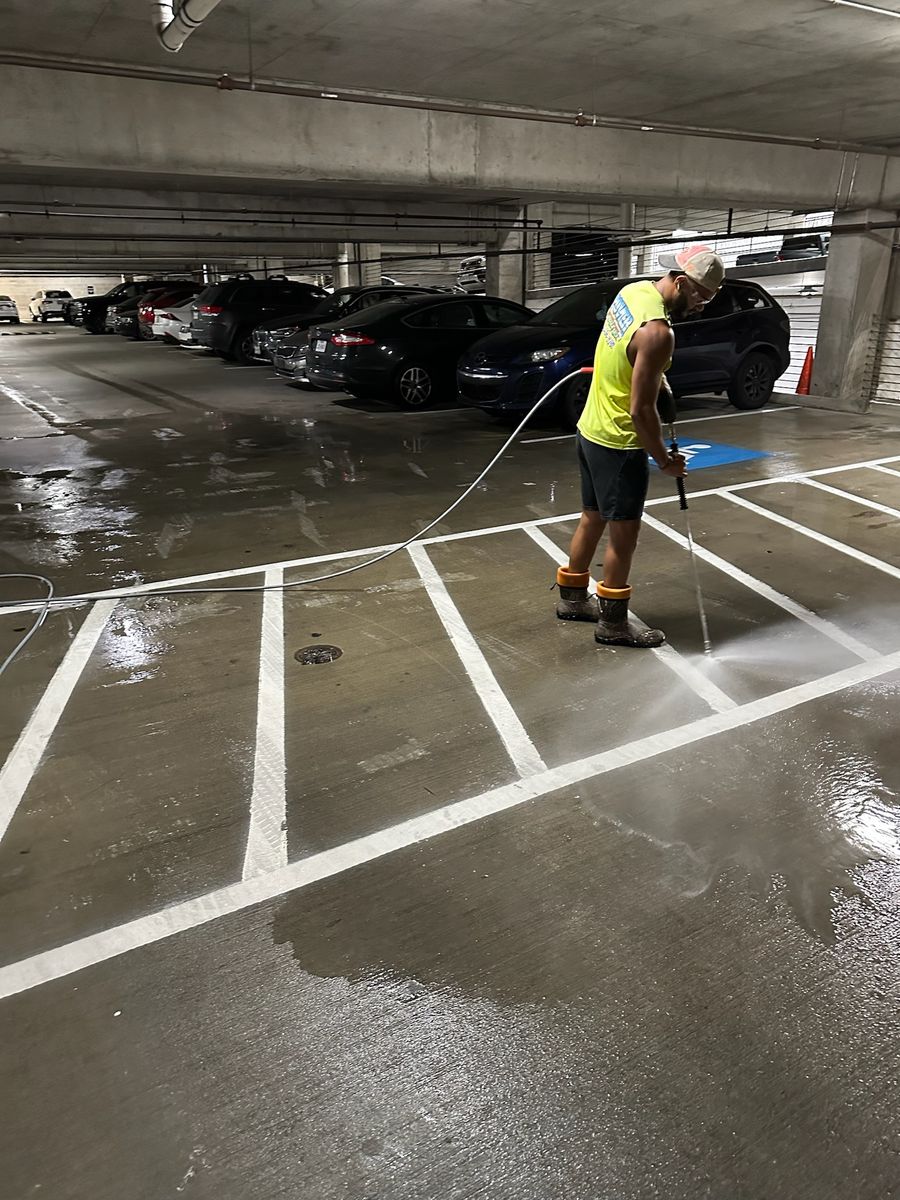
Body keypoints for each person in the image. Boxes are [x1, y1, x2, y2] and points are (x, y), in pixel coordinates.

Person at [554, 245, 725, 647]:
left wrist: (652, 379)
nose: (702, 305)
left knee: (591, 516)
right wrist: (665, 460)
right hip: (618, 442)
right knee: (624, 533)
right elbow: (640, 411)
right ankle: (612, 623)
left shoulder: (632, 293)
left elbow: (622, 355)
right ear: (680, 282)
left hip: (590, 428)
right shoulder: (659, 333)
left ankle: (573, 599)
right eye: (701, 295)